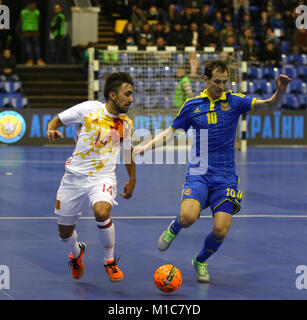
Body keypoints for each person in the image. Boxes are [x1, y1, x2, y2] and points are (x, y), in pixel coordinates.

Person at [133, 60, 291, 283]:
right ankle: (174, 227)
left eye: (225, 81)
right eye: (217, 82)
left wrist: (280, 91)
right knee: (188, 218)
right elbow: (170, 132)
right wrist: (146, 147)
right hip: (199, 173)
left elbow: (268, 106)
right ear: (206, 80)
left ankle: (200, 260)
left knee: (220, 230)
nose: (222, 86)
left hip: (226, 178)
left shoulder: (235, 101)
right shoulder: (192, 105)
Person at [46, 72, 136, 282]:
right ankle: (77, 253)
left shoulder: (126, 124)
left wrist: (132, 179)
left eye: (132, 94)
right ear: (112, 95)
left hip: (103, 177)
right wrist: (52, 129)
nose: (131, 99)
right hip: (74, 177)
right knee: (65, 233)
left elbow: (128, 152)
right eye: (127, 94)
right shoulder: (89, 109)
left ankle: (109, 261)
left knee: (101, 211)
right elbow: (57, 120)